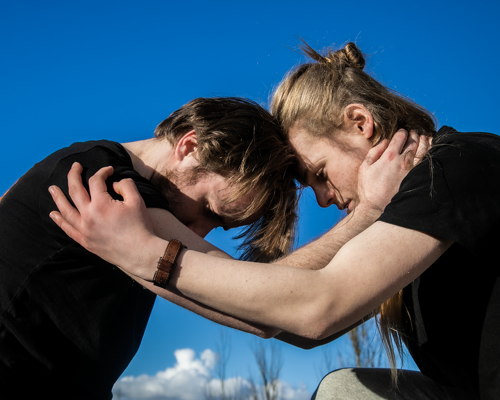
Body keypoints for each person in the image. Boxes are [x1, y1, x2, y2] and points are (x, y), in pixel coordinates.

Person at [49, 41, 500, 399]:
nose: (323, 199)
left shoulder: (454, 167)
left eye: (319, 173)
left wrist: (144, 253)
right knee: (346, 391)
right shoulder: (413, 208)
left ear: (360, 122)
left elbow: (320, 308)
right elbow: (287, 320)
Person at [0, 97, 301, 399]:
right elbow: (271, 306)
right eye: (208, 208)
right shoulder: (104, 184)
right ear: (189, 146)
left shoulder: (80, 160)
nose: (200, 232)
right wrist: (350, 224)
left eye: (218, 226)